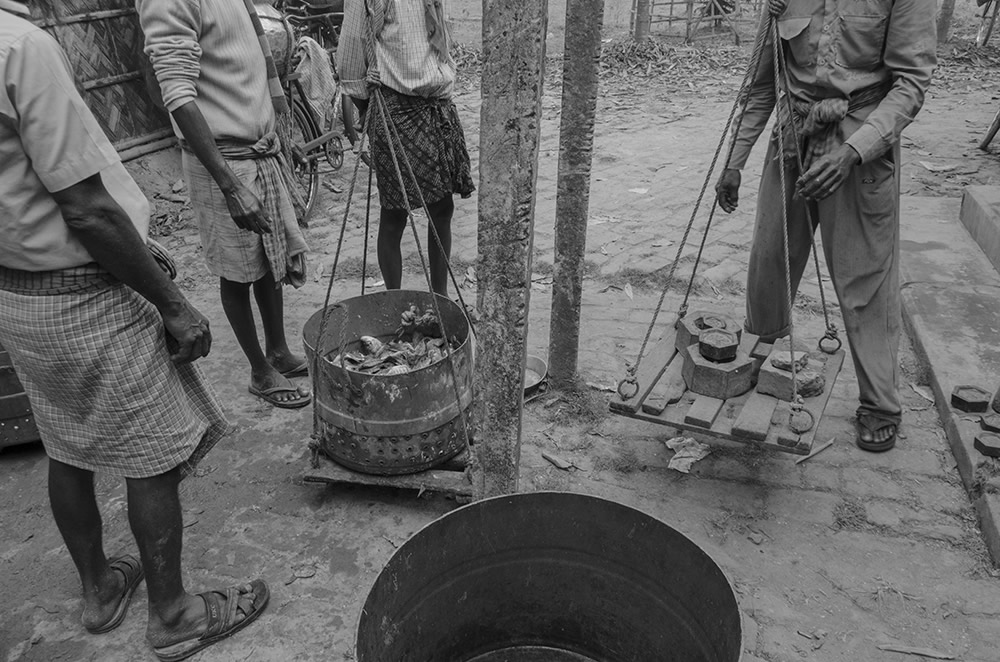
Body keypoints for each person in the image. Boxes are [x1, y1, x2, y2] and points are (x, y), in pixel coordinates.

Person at [0, 5, 269, 661]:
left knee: (65, 441)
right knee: (150, 452)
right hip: (80, 292)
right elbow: (86, 208)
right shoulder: (21, 47)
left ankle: (98, 589)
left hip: (16, 291)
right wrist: (172, 303)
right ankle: (173, 615)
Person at [715, 0, 936, 452]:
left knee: (864, 280)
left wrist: (854, 151)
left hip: (859, 147)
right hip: (794, 136)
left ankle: (880, 404)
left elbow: (910, 85)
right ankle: (762, 367)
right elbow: (761, 84)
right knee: (769, 261)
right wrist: (734, 162)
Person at [138, 0, 312, 409]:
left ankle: (279, 351)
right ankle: (260, 370)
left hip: (257, 151)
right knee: (236, 273)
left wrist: (282, 135)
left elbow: (246, 73)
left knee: (268, 258)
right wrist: (230, 186)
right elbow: (175, 92)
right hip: (222, 160)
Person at [338, 0, 475, 296]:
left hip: (436, 104)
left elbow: (439, 39)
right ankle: (394, 299)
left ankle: (441, 297)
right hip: (394, 107)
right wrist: (369, 107)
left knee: (442, 207)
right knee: (395, 211)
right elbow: (350, 58)